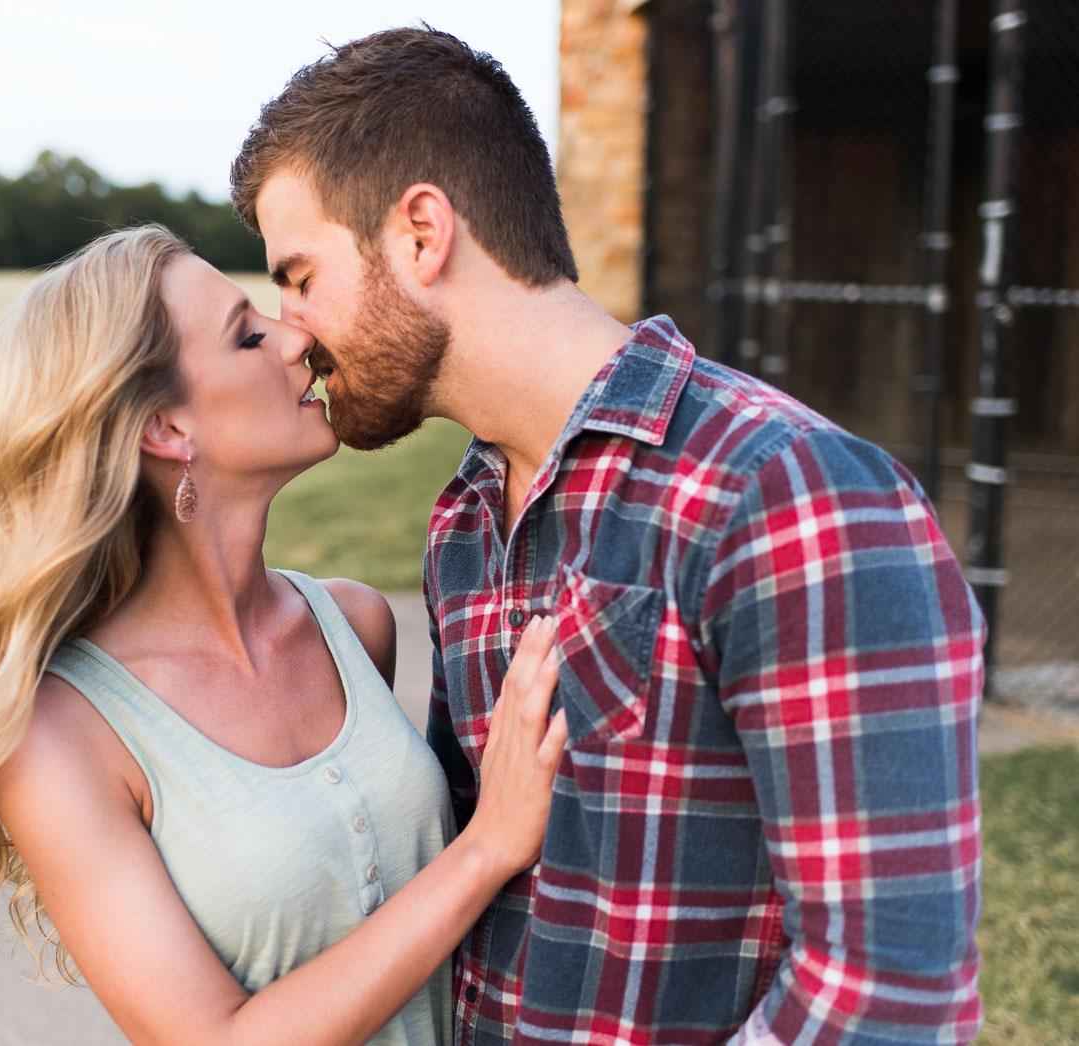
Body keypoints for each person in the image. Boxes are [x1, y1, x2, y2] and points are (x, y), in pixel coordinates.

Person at [230, 26, 985, 1046]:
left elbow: (884, 992)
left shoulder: (786, 489)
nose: (289, 329)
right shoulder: (464, 519)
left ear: (419, 232)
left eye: (300, 274)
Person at [0, 224, 570, 1046]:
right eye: (248, 335)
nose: (299, 339)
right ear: (165, 429)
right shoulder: (57, 736)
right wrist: (486, 850)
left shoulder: (354, 625)